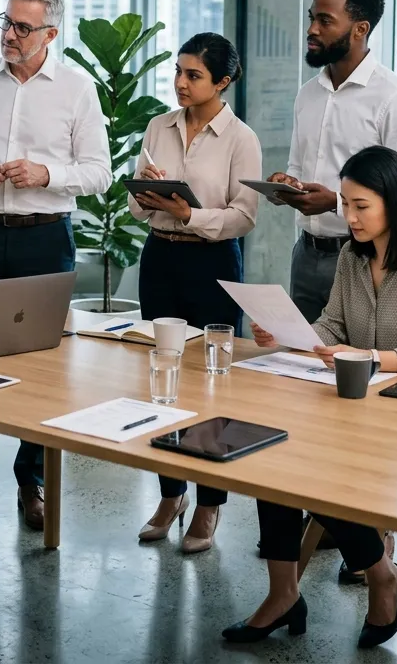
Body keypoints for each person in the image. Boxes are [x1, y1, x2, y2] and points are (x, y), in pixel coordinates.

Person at [225, 145, 397, 649]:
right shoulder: (353, 258)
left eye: (360, 206)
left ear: (393, 203)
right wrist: (291, 333)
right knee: (274, 453)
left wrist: (370, 355)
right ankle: (284, 592)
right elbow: (332, 324)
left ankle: (380, 573)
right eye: (346, 204)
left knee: (314, 471)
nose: (348, 217)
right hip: (355, 399)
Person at [0, 0, 111, 530]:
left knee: (43, 363)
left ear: (50, 33)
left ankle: (31, 480)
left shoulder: (77, 90)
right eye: (5, 23)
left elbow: (99, 174)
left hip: (44, 236)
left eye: (23, 27)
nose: (9, 35)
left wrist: (46, 175)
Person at [129, 33, 261, 553]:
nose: (181, 83)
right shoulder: (158, 127)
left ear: (222, 81)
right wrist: (147, 194)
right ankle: (170, 494)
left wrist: (190, 213)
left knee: (212, 386)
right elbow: (140, 208)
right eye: (178, 72)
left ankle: (209, 505)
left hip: (212, 263)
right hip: (159, 257)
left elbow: (244, 216)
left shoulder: (240, 139)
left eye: (194, 75)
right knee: (162, 376)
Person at [267, 0, 397, 325]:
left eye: (325, 21)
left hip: (365, 258)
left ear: (360, 29)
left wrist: (335, 203)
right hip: (306, 253)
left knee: (354, 370)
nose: (312, 29)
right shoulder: (308, 94)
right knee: (299, 364)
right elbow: (299, 168)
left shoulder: (396, 100)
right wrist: (288, 186)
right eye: (312, 18)